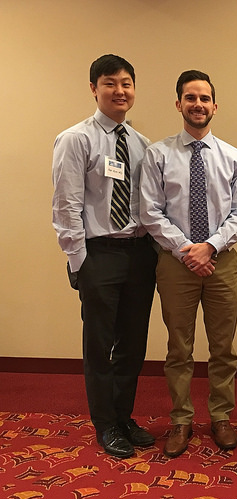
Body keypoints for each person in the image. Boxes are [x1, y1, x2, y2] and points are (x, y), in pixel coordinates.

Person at [140, 70, 237, 458]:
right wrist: (189, 249)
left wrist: (210, 247)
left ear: (215, 106)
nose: (198, 105)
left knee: (223, 347)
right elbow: (150, 212)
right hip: (175, 263)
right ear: (179, 104)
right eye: (190, 98)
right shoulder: (158, 154)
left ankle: (221, 416)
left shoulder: (234, 157)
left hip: (221, 261)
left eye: (204, 98)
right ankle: (180, 420)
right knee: (179, 347)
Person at [52, 54, 157, 458]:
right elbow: (66, 206)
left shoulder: (140, 143)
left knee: (133, 343)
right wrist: (79, 262)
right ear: (93, 88)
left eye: (126, 83)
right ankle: (106, 424)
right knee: (100, 345)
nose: (120, 91)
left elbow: (148, 204)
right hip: (99, 254)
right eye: (110, 83)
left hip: (139, 254)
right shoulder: (76, 139)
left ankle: (124, 416)